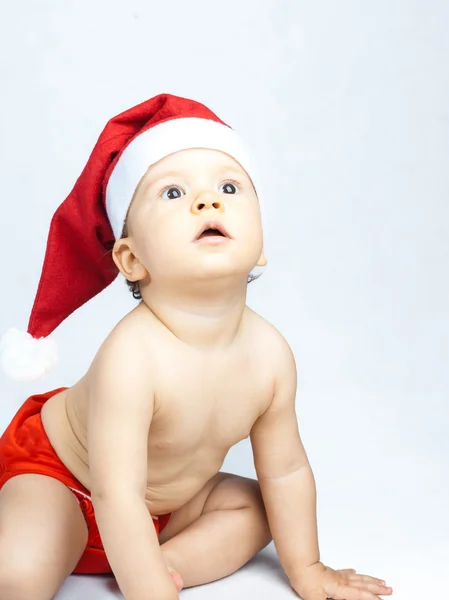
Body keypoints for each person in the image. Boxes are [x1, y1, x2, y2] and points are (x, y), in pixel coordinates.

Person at [0, 94, 393, 600]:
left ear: (262, 242)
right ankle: (133, 572)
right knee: (17, 576)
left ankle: (160, 564)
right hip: (65, 483)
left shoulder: (270, 356)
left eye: (229, 187)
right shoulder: (134, 354)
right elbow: (114, 493)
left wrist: (309, 566)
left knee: (259, 508)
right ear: (130, 259)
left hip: (165, 510)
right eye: (172, 193)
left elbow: (287, 468)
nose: (208, 202)